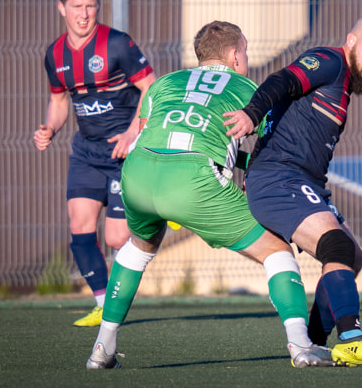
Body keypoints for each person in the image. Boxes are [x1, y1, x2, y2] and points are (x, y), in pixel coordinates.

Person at [86, 20, 334, 369]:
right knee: (277, 250)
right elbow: (267, 153)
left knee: (139, 248)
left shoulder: (163, 84)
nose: (245, 59)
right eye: (245, 52)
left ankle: (102, 349)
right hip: (195, 179)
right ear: (235, 55)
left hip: (138, 173)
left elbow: (148, 133)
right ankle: (301, 345)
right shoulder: (249, 89)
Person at [224, 13, 362, 367]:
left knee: (351, 255)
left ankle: (315, 343)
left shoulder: (344, 82)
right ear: (351, 41)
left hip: (297, 181)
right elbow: (283, 79)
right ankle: (351, 338)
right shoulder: (332, 61)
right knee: (335, 245)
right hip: (279, 179)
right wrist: (251, 114)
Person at [34, 0, 156, 327]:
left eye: (91, 6)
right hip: (86, 152)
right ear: (61, 8)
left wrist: (133, 132)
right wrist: (50, 128)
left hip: (124, 152)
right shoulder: (55, 53)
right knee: (80, 228)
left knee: (116, 236)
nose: (84, 14)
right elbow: (58, 101)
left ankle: (157, 210)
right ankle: (104, 307)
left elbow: (152, 89)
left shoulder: (117, 44)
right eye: (77, 6)